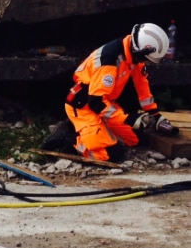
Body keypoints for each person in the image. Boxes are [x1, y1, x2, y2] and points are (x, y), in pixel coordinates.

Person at [63, 23, 177, 163]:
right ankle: (70, 137)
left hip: (105, 104)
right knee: (110, 155)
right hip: (84, 107)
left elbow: (142, 87)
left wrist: (155, 114)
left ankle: (101, 132)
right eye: (146, 60)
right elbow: (95, 102)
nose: (146, 63)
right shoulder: (109, 61)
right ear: (140, 51)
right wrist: (128, 119)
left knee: (136, 138)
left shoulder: (134, 54)